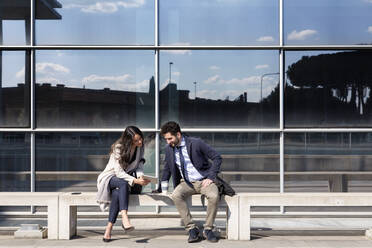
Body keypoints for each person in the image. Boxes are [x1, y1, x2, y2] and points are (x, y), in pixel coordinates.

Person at [157, 121, 222, 243]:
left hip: (204, 180)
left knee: (213, 196)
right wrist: (161, 187)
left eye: (170, 138)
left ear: (178, 134)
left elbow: (217, 157)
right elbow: (167, 168)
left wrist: (211, 177)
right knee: (175, 195)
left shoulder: (196, 143)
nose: (168, 142)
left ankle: (208, 229)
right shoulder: (169, 149)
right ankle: (192, 229)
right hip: (186, 182)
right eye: (166, 139)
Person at [96, 126, 150, 242]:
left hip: (124, 181)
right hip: (110, 177)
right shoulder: (118, 148)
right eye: (136, 141)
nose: (139, 142)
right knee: (123, 184)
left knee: (117, 192)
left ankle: (108, 229)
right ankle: (125, 217)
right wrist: (135, 180)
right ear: (128, 140)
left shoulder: (140, 147)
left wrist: (140, 176)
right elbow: (118, 173)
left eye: (140, 138)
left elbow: (139, 164)